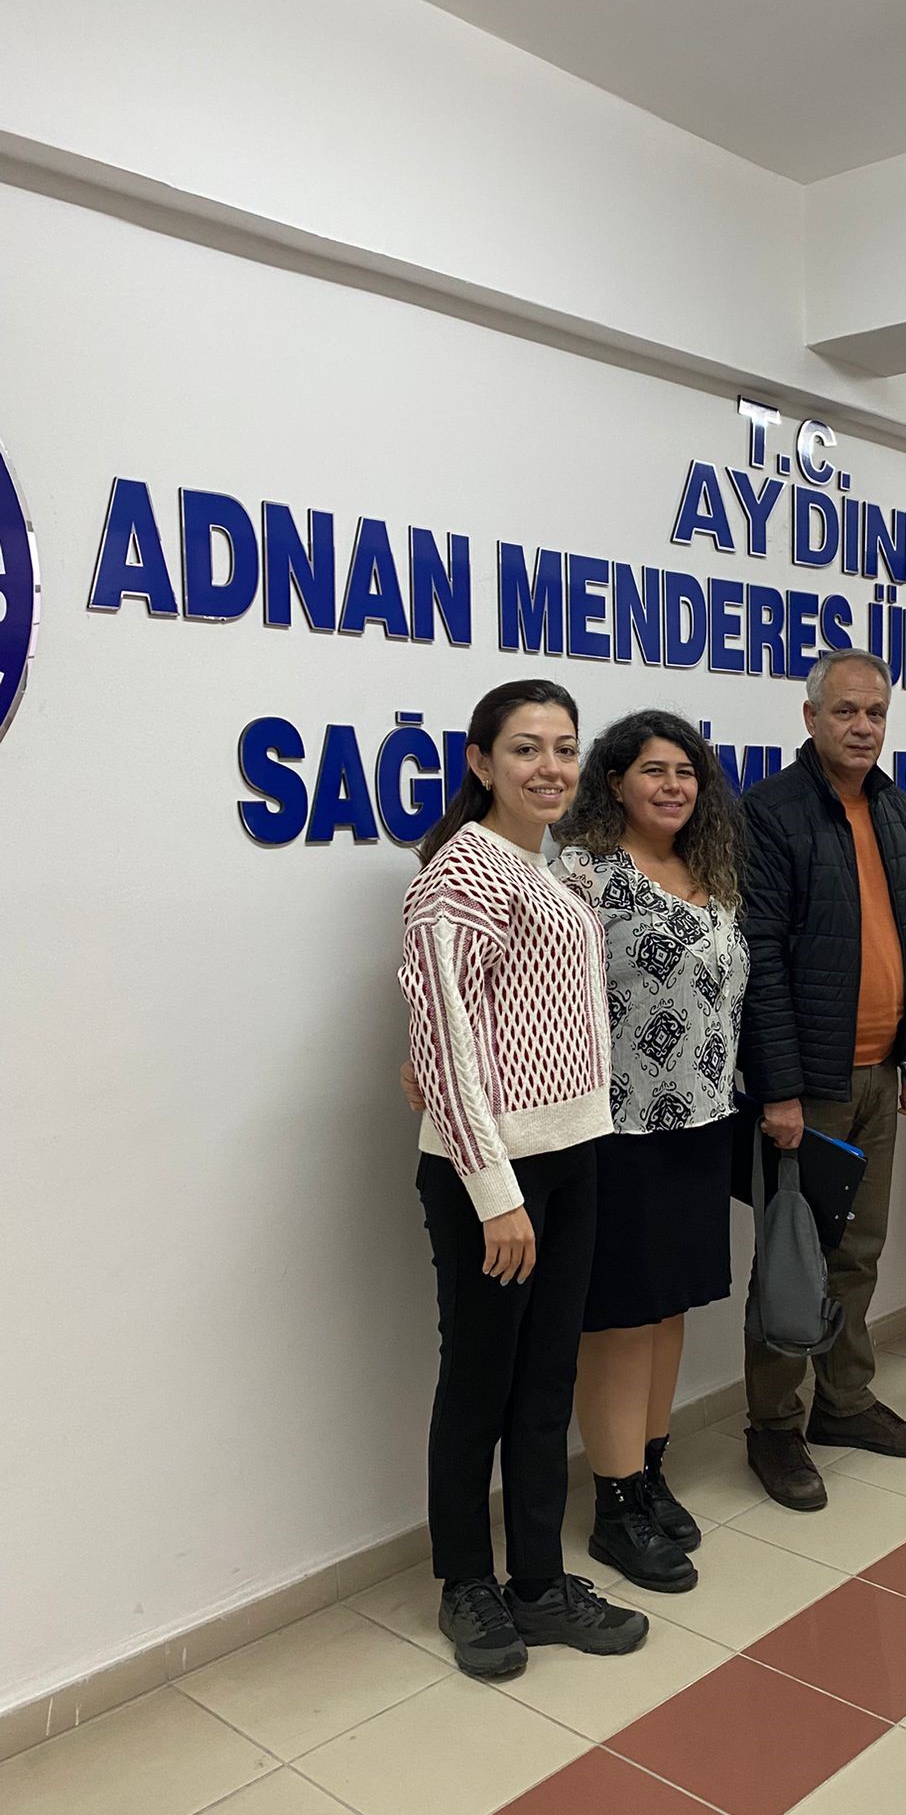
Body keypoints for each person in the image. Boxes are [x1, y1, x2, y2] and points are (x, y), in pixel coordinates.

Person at [399, 680, 647, 1681]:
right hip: (490, 1176)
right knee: (480, 1381)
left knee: (545, 1381)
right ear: (481, 761)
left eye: (564, 748)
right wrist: (495, 1192)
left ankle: (539, 1581)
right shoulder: (461, 873)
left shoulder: (548, 870)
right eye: (526, 748)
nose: (550, 767)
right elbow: (446, 1046)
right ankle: (467, 1581)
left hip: (571, 1154)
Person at [738, 649, 906, 1510]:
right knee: (794, 1258)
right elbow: (760, 956)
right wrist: (779, 1088)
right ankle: (774, 1427)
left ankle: (845, 1404)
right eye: (847, 711)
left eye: (876, 712)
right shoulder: (770, 811)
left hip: (880, 1071)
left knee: (858, 1253)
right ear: (811, 717)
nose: (864, 727)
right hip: (812, 1084)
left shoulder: (893, 807)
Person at [555, 712, 748, 1593]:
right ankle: (614, 1502)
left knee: (670, 1310)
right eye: (654, 771)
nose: (674, 787)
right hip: (618, 1133)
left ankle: (650, 1470)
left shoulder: (711, 871)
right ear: (615, 782)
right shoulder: (583, 875)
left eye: (686, 772)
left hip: (703, 1125)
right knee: (620, 1323)